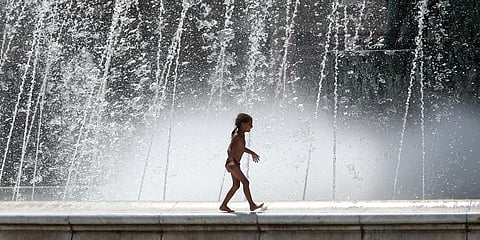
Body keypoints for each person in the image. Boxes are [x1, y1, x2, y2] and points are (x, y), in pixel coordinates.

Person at [219, 113, 264, 213]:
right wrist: (231, 161)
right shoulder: (237, 136)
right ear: (243, 124)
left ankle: (223, 205)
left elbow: (241, 148)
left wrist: (252, 153)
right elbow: (229, 150)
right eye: (250, 124)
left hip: (235, 164)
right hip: (233, 164)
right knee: (245, 182)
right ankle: (252, 205)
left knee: (236, 185)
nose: (251, 126)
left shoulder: (241, 135)